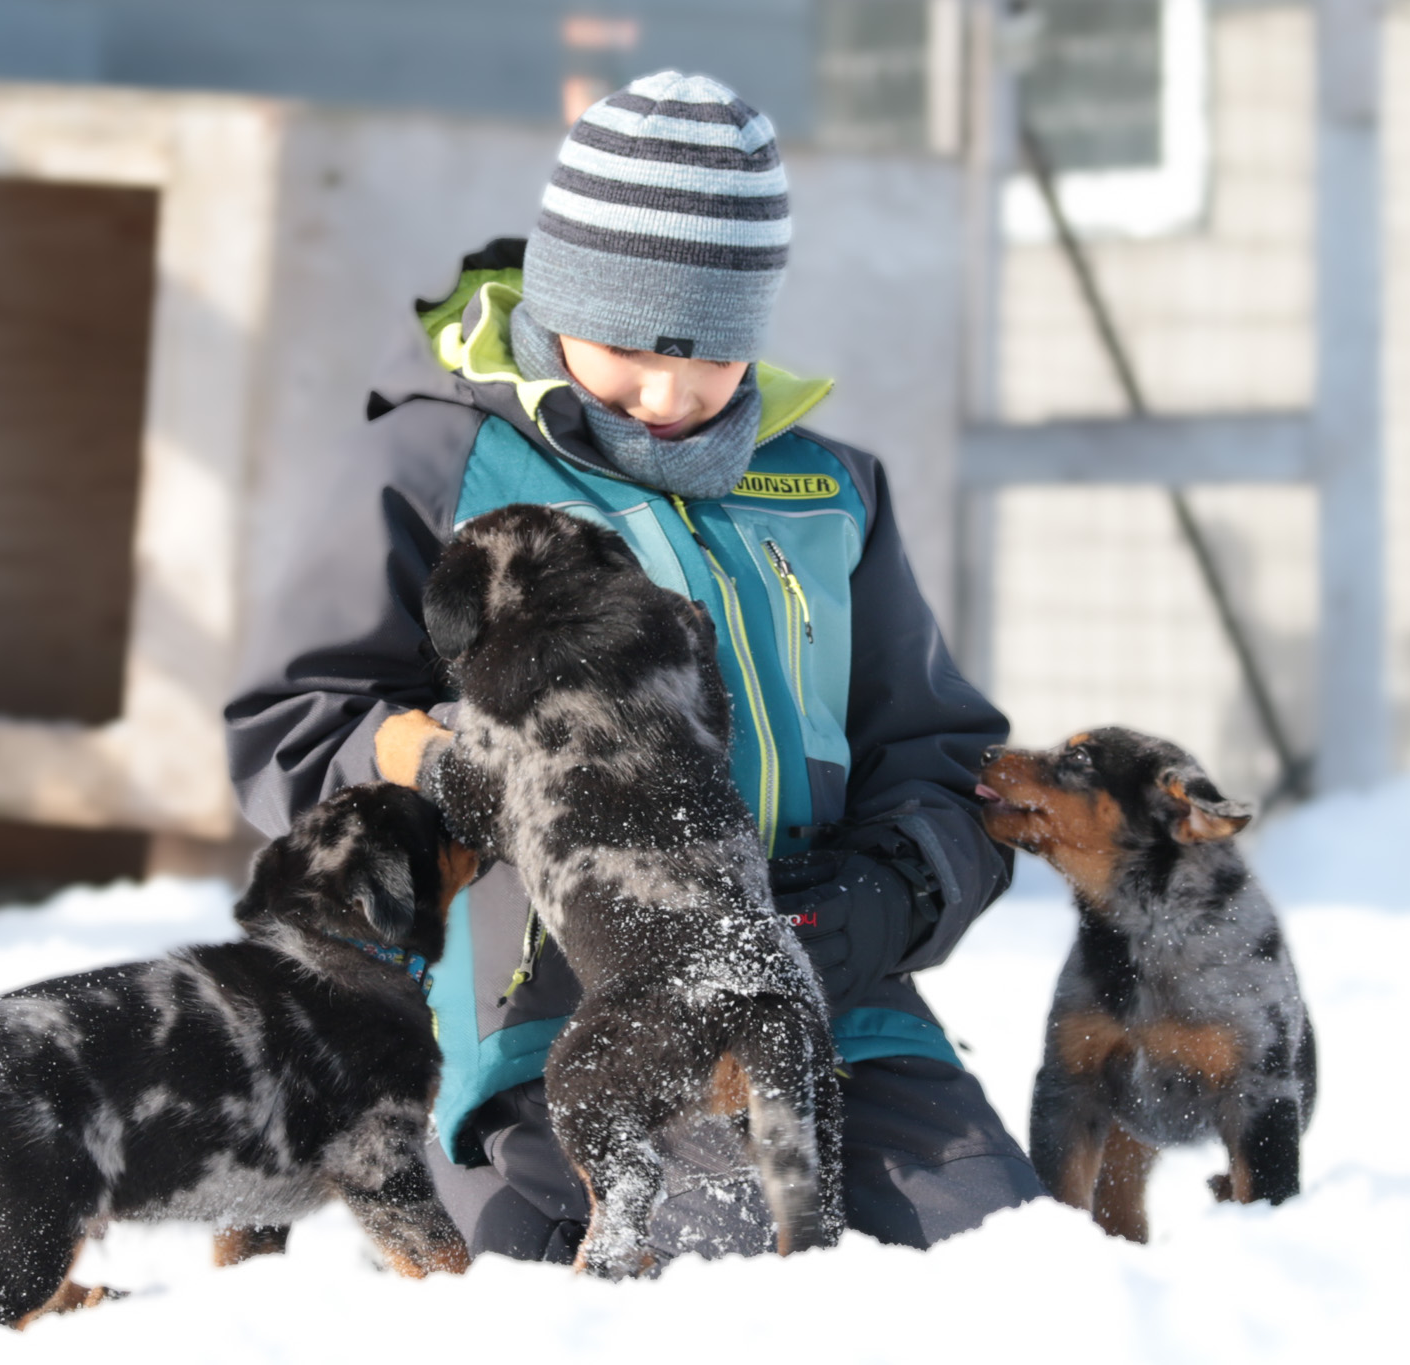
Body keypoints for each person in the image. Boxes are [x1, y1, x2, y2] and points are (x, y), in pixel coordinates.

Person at [224, 71, 1042, 1265]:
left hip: (823, 1000)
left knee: (1003, 1272)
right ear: (557, 301)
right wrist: (463, 776)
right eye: (625, 345)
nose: (666, 397)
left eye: (707, 358)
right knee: (647, 1278)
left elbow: (938, 754)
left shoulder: (826, 490)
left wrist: (880, 904)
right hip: (549, 1003)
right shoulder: (436, 463)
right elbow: (292, 726)